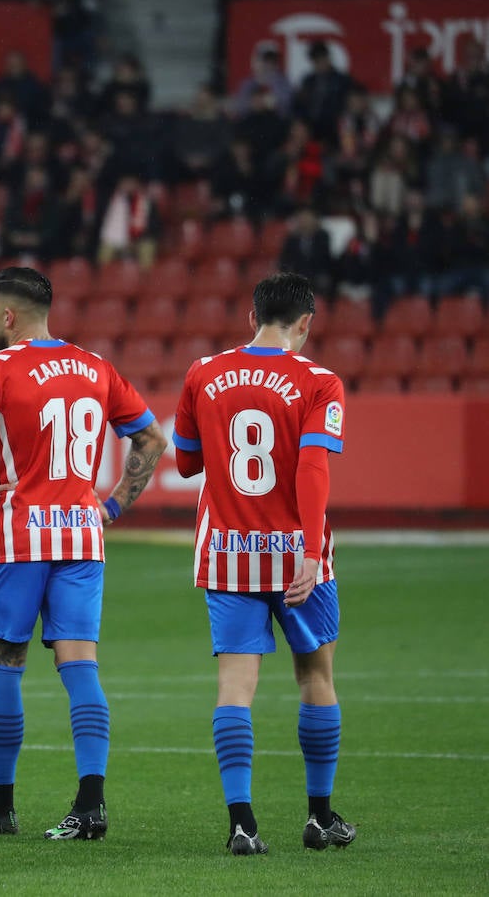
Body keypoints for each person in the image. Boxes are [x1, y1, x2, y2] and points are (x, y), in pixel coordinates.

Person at [0, 266, 166, 839]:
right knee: (80, 665)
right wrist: (110, 508)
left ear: (8, 316)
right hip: (82, 535)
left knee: (5, 666)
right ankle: (90, 806)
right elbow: (152, 437)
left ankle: (1, 808)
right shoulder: (94, 366)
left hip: (15, 537)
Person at [171, 272, 356, 856]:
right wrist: (304, 547)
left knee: (235, 687)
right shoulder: (320, 382)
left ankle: (242, 823)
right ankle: (319, 817)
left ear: (252, 318)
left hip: (227, 555)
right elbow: (312, 468)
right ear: (306, 323)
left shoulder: (203, 372)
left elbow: (185, 462)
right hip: (298, 560)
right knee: (315, 679)